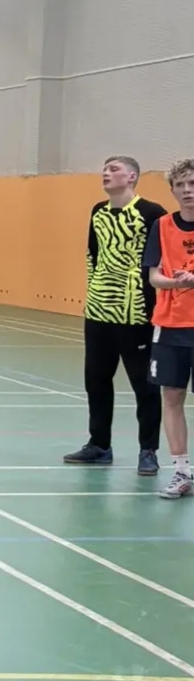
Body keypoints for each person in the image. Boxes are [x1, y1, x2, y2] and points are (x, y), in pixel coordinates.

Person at [63, 155, 166, 474]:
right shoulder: (98, 211)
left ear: (132, 176)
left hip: (136, 314)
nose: (106, 174)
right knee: (96, 380)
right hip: (98, 312)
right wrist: (95, 292)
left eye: (114, 169)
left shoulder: (152, 213)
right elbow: (92, 254)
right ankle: (99, 444)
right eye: (104, 169)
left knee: (145, 386)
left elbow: (160, 260)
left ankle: (148, 450)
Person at [143, 158, 194, 499]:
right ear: (173, 190)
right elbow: (153, 276)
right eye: (181, 185)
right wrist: (177, 283)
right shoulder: (161, 226)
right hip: (171, 324)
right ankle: (181, 471)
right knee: (172, 396)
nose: (187, 190)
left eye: (193, 184)